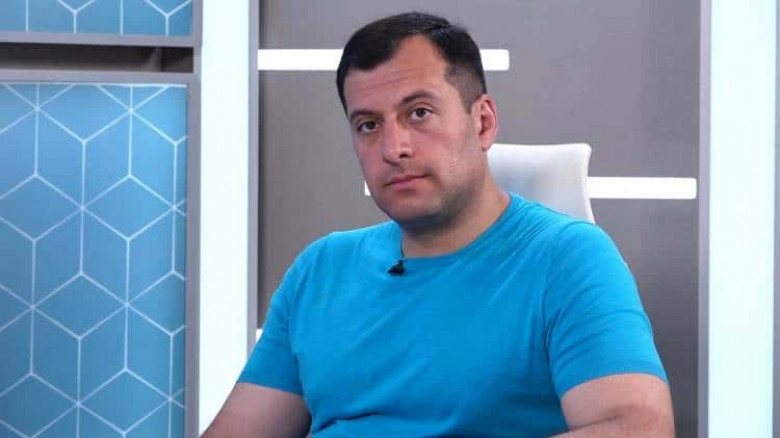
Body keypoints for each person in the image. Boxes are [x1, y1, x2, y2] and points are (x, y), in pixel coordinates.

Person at [203, 12, 674, 438]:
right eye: (368, 125)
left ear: (483, 122)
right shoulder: (320, 270)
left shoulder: (567, 259)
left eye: (419, 113)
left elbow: (638, 429)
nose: (394, 148)